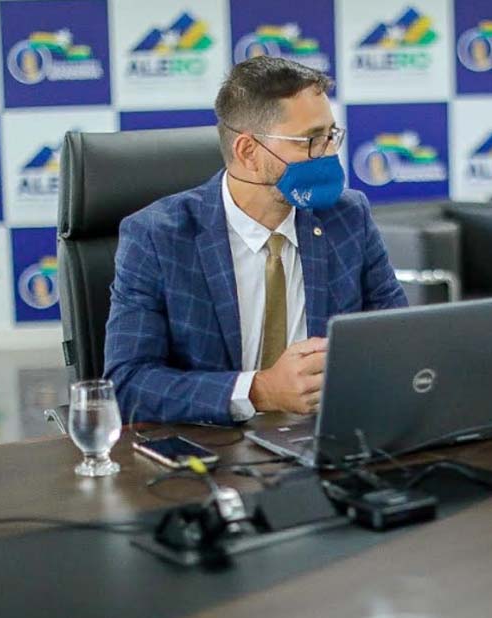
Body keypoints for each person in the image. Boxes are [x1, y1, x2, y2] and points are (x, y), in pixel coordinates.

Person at [103, 56, 408, 425]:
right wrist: (260, 391)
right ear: (248, 152)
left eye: (330, 136)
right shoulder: (157, 236)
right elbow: (128, 383)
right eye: (310, 140)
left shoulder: (347, 215)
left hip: (328, 440)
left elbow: (399, 339)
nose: (328, 154)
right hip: (213, 452)